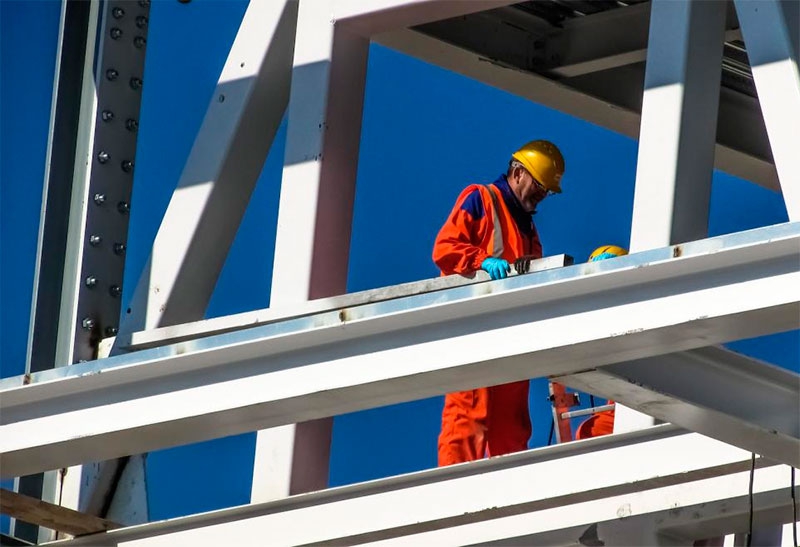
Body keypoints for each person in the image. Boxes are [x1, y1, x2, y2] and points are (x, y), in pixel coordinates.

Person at [432, 140, 566, 466]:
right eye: (539, 186)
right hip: (472, 329)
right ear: (518, 173)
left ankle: (509, 497)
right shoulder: (481, 198)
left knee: (513, 428)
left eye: (547, 191)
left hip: (509, 335)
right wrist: (481, 262)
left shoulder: (529, 229)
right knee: (467, 417)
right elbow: (445, 248)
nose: (542, 196)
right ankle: (453, 494)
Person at [574, 244, 629, 440]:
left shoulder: (640, 310)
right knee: (590, 432)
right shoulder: (599, 321)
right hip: (622, 405)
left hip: (668, 402)